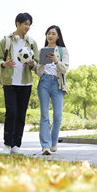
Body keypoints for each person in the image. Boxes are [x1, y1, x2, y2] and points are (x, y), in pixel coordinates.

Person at [0, 13, 38, 154]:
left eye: (29, 24)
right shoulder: (6, 41)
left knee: (21, 114)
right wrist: (5, 64)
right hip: (10, 82)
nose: (27, 27)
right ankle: (7, 144)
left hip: (26, 83)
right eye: (25, 23)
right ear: (17, 24)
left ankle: (16, 145)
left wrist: (32, 64)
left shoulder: (32, 43)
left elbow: (37, 62)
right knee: (11, 112)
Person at [35, 25, 69, 155]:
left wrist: (55, 61)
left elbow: (64, 69)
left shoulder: (62, 51)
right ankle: (45, 146)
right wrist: (42, 63)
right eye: (48, 33)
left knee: (58, 116)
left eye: (53, 33)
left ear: (58, 36)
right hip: (44, 82)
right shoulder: (42, 51)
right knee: (44, 115)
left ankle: (53, 142)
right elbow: (38, 72)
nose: (50, 35)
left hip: (57, 84)